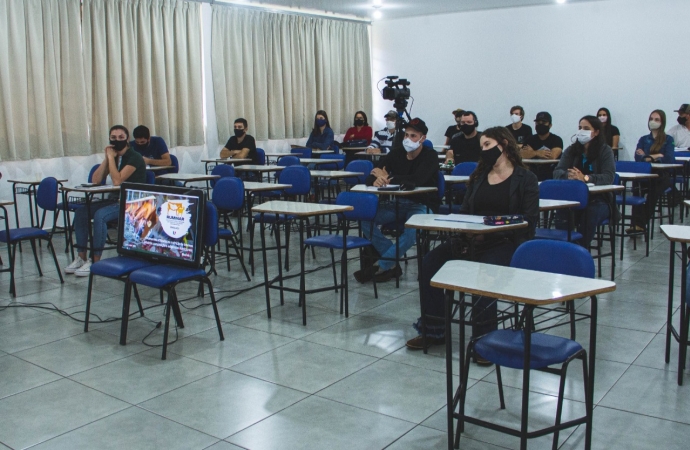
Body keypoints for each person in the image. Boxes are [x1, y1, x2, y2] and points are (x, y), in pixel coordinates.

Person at [406, 126, 539, 354]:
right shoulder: (478, 176)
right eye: (482, 147)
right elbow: (466, 211)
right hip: (471, 239)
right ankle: (434, 329)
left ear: (503, 145)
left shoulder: (525, 178)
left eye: (487, 145)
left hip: (505, 242)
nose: (484, 151)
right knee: (430, 262)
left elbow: (529, 219)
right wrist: (467, 231)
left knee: (484, 270)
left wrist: (490, 229)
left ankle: (484, 340)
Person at [354, 118, 439, 283]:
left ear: (423, 138)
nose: (408, 139)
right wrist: (376, 180)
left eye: (413, 136)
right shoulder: (396, 153)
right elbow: (370, 177)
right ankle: (391, 262)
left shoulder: (430, 155)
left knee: (411, 232)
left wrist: (388, 177)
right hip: (398, 203)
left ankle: (382, 264)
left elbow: (416, 180)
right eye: (406, 135)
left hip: (422, 203)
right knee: (365, 219)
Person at [65, 125, 147, 276]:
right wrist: (107, 158)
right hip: (115, 199)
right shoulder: (114, 157)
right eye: (113, 138)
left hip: (133, 203)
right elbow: (96, 180)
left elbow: (117, 181)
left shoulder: (134, 157)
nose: (117, 141)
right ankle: (81, 256)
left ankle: (95, 260)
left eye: (121, 138)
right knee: (82, 212)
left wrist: (111, 158)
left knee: (100, 215)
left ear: (127, 139)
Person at [553, 115, 618, 248]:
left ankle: (580, 250)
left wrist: (586, 178)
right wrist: (568, 175)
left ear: (596, 132)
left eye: (586, 128)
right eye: (580, 128)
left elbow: (608, 177)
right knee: (562, 213)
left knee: (589, 215)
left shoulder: (605, 150)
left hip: (599, 200)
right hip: (573, 199)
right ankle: (565, 248)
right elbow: (557, 171)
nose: (581, 131)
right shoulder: (571, 150)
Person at [627, 109, 675, 233]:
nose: (653, 122)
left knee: (653, 191)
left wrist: (647, 156)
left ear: (662, 122)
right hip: (645, 174)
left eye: (656, 119)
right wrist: (656, 155)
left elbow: (669, 158)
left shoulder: (668, 139)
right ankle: (635, 223)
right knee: (636, 187)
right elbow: (638, 156)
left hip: (661, 176)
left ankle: (641, 224)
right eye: (651, 119)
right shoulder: (643, 139)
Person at [522, 111, 563, 181]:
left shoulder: (556, 140)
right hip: (532, 176)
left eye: (544, 123)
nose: (540, 125)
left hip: (551, 176)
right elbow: (521, 154)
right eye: (538, 123)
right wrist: (537, 153)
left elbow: (553, 156)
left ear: (550, 125)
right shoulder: (529, 139)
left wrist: (531, 153)